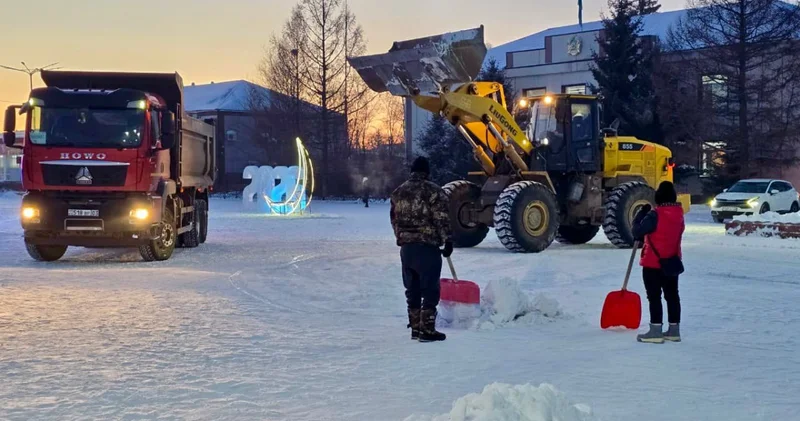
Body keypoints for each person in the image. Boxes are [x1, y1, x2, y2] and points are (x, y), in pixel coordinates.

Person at [390, 156, 453, 342]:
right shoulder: (433, 191)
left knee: (412, 288)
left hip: (407, 250)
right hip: (427, 247)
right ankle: (427, 329)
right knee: (430, 289)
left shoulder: (398, 192)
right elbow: (441, 218)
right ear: (427, 172)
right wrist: (447, 240)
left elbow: (394, 220)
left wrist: (402, 238)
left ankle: (415, 328)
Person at [632, 181, 685, 344]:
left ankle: (655, 330)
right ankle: (674, 330)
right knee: (672, 295)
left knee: (654, 296)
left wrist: (641, 214)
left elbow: (637, 232)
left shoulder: (655, 214)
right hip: (672, 261)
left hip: (653, 263)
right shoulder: (679, 214)